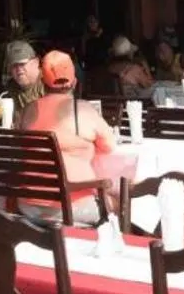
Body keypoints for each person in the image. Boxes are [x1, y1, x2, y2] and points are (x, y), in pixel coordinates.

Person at [18, 51, 116, 224]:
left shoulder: (28, 110)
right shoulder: (83, 110)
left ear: (42, 82)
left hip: (28, 205)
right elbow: (110, 146)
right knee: (118, 202)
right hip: (72, 206)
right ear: (74, 81)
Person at [2, 40, 45, 109]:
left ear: (36, 62)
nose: (18, 69)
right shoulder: (11, 88)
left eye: (22, 64)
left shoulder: (48, 84)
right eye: (14, 65)